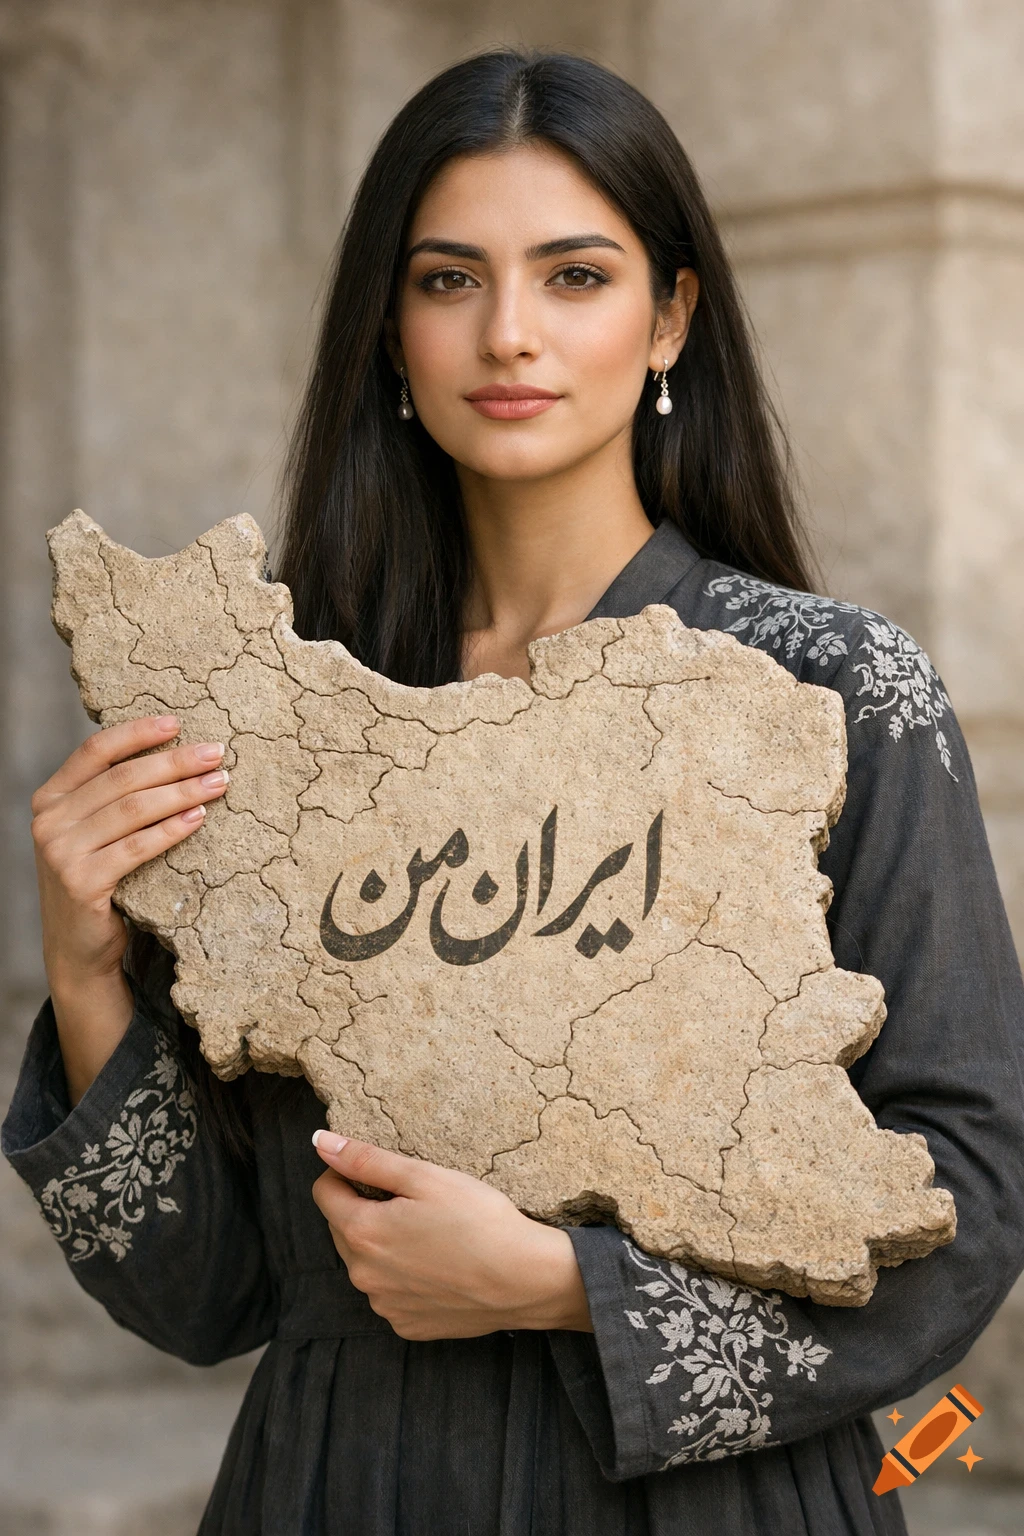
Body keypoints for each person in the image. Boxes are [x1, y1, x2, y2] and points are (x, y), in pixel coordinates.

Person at [4, 48, 1023, 1536]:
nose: (509, 335)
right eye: (447, 279)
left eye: (575, 276)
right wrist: (89, 976)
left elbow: (976, 1192)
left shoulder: (828, 695)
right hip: (343, 1483)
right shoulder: (292, 731)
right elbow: (207, 1296)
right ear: (389, 332)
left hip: (712, 1503)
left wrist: (564, 1291)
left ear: (670, 317)